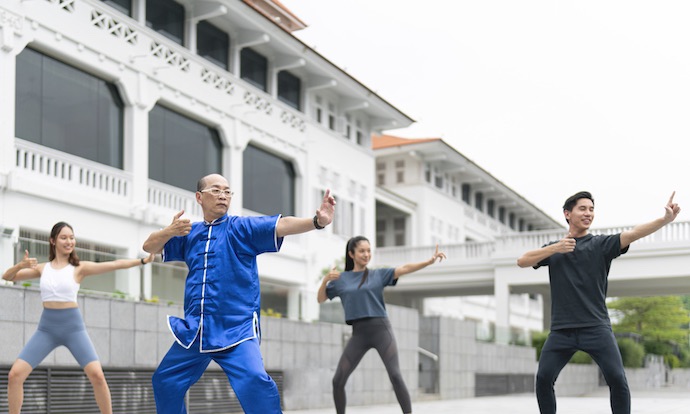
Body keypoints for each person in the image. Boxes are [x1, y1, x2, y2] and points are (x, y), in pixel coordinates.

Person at [142, 173, 336, 414]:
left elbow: (281, 224)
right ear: (199, 197)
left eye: (227, 191)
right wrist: (169, 230)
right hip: (196, 330)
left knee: (255, 381)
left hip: (237, 329)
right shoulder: (188, 233)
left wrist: (317, 222)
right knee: (165, 381)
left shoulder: (241, 228)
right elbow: (149, 246)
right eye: (216, 190)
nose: (223, 195)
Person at [517, 191, 681, 414]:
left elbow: (632, 234)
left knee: (617, 378)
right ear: (567, 213)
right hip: (561, 330)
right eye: (582, 209)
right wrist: (556, 247)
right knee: (544, 379)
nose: (588, 214)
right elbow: (522, 261)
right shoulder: (554, 249)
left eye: (591, 209)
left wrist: (664, 220)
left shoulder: (601, 245)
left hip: (596, 327)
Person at [1, 221, 154, 414]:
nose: (69, 241)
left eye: (71, 237)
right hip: (46, 329)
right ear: (53, 241)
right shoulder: (43, 268)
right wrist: (20, 265)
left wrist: (142, 261)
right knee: (15, 375)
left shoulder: (79, 268)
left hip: (73, 328)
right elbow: (8, 277)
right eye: (64, 237)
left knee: (97, 375)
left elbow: (114, 264)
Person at [317, 236, 446, 414]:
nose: (366, 254)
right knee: (338, 380)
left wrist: (428, 261)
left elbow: (404, 268)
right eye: (362, 250)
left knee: (395, 375)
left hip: (381, 330)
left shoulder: (377, 274)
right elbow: (321, 299)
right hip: (358, 334)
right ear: (351, 254)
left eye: (369, 250)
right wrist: (325, 281)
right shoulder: (341, 279)